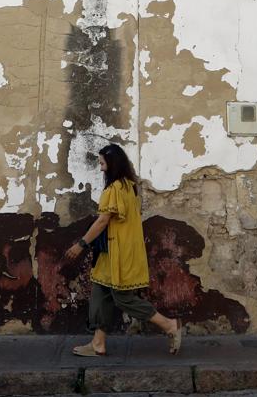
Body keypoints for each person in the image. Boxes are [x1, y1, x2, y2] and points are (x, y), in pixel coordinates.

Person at [65, 143, 183, 357]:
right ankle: (98, 344)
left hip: (119, 251)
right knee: (101, 293)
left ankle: (169, 325)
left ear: (113, 164)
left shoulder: (115, 189)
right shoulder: (129, 185)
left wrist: (81, 244)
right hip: (111, 251)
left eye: (102, 163)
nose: (101, 168)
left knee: (123, 298)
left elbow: (102, 221)